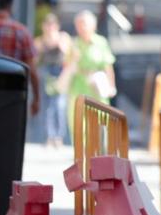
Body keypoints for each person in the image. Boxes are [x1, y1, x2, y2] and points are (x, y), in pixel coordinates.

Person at [61, 10, 116, 142]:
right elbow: (66, 66)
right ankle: (81, 158)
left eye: (84, 24)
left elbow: (108, 65)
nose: (81, 27)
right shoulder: (74, 44)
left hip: (97, 88)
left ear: (93, 26)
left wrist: (111, 86)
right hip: (78, 88)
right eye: (79, 24)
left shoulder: (100, 42)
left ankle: (99, 156)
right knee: (79, 126)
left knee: (100, 125)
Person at [35, 14, 70, 147]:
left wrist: (55, 41)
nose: (49, 28)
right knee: (47, 107)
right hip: (46, 73)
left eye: (52, 25)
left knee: (60, 105)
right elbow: (36, 58)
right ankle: (49, 136)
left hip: (60, 72)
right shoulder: (40, 40)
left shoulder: (63, 37)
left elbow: (67, 53)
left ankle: (59, 136)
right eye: (47, 25)